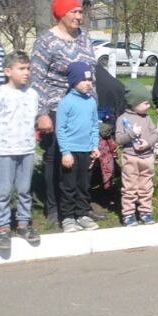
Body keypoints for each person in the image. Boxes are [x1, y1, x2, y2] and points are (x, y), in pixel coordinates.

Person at [30, 0, 97, 224]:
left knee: (82, 155)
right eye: (74, 12)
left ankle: (81, 206)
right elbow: (37, 79)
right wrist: (42, 113)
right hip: (55, 105)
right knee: (54, 157)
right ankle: (54, 207)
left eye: (80, 11)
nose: (79, 16)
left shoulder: (84, 38)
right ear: (60, 14)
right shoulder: (46, 40)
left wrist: (93, 106)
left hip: (83, 105)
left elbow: (92, 73)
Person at [0, 51, 41, 250]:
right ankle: (3, 228)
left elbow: (33, 120)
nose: (26, 73)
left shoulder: (32, 94)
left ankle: (24, 224)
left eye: (28, 69)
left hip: (26, 149)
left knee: (24, 190)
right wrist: (0, 142)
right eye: (21, 69)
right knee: (4, 191)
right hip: (4, 150)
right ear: (8, 71)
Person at [56, 61, 100, 232]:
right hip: (71, 152)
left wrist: (94, 147)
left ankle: (82, 214)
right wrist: (65, 152)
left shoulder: (91, 102)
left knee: (84, 186)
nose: (88, 83)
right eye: (84, 80)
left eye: (90, 80)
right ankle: (67, 217)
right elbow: (60, 129)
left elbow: (94, 126)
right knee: (69, 186)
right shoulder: (66, 102)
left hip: (86, 151)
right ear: (74, 81)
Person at [115, 83, 158, 226]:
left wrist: (148, 143)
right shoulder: (122, 119)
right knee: (129, 187)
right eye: (145, 103)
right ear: (134, 103)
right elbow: (118, 139)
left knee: (146, 186)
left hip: (147, 157)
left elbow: (155, 134)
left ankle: (145, 211)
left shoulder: (147, 118)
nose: (149, 106)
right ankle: (128, 214)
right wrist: (131, 134)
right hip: (130, 157)